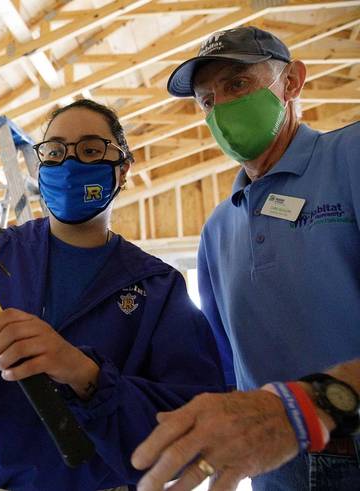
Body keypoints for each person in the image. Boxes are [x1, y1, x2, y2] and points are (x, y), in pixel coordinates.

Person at [0, 99, 226, 490]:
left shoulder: (156, 286)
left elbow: (191, 421)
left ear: (123, 168)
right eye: (55, 151)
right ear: (41, 164)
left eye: (91, 150)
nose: (70, 164)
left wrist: (87, 376)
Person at [131, 27, 360, 491]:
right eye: (207, 100)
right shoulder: (218, 229)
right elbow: (223, 365)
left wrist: (311, 406)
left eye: (237, 85)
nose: (222, 110)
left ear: (292, 81)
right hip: (276, 465)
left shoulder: (349, 158)